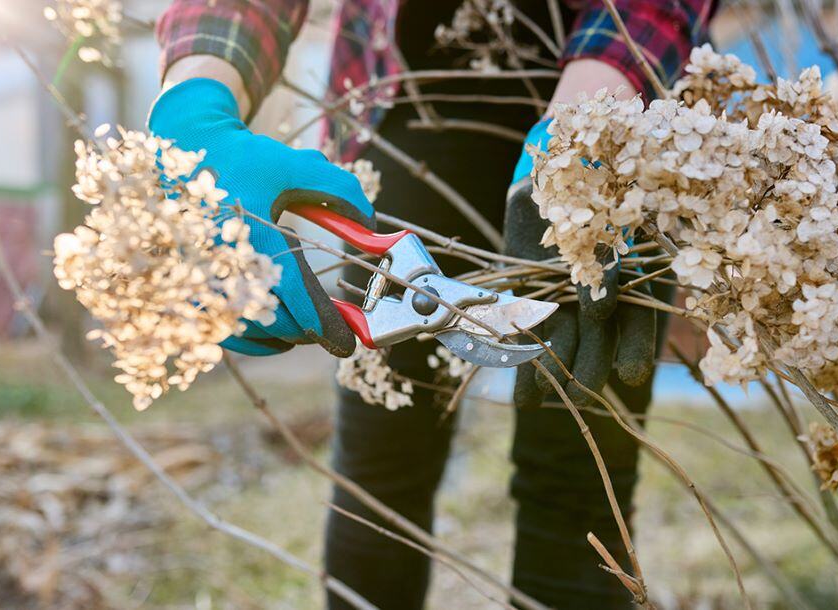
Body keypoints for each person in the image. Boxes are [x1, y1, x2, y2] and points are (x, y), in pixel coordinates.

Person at [148, 1, 716, 607]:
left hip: (615, 112)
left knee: (580, 463)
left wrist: (588, 124)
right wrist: (195, 108)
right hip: (411, 91)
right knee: (382, 463)